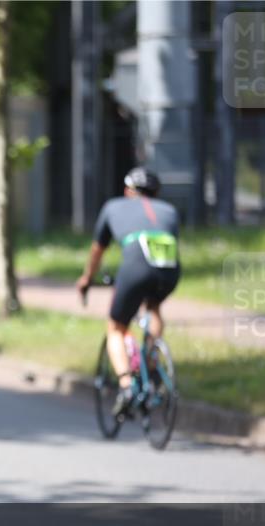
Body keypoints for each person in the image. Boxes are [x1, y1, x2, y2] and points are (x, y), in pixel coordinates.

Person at [76, 167, 181, 417]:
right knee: (153, 307)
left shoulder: (113, 206)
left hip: (136, 267)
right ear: (156, 193)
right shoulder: (170, 211)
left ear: (127, 191)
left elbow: (97, 251)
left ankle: (126, 387)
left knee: (116, 328)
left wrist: (87, 279)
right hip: (169, 270)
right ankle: (153, 362)